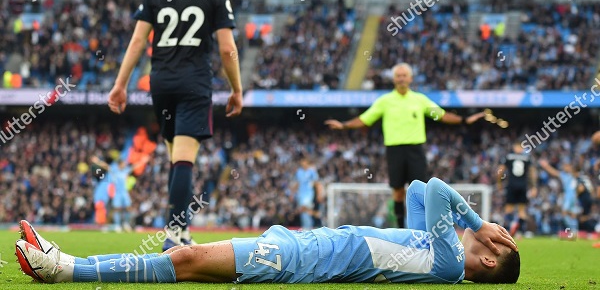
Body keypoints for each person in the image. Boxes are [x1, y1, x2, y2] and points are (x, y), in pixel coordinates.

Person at [16, 178, 520, 285]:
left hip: (306, 258)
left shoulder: (451, 262)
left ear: (491, 259)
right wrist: (475, 224)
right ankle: (64, 265)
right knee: (185, 260)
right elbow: (416, 188)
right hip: (306, 248)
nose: (483, 234)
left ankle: (63, 268)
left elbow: (434, 187)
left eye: (493, 242)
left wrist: (479, 222)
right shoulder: (436, 253)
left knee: (184, 260)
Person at [107, 0, 243, 250]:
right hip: (194, 83)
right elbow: (226, 48)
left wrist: (120, 84)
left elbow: (137, 41)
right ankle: (174, 233)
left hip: (161, 83)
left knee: (175, 157)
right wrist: (236, 89)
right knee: (183, 158)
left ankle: (180, 231)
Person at [325, 63, 485, 228]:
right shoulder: (385, 101)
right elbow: (365, 118)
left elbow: (441, 115)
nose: (401, 79)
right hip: (394, 151)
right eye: (398, 76)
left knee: (421, 191)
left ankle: (423, 228)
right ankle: (401, 228)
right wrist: (344, 125)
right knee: (398, 191)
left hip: (415, 150)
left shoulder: (419, 99)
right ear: (394, 79)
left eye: (404, 76)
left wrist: (465, 120)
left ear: (410, 78)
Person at [92, 155, 150, 232]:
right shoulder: (114, 170)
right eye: (123, 164)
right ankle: (117, 225)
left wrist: (143, 161)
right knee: (116, 209)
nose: (125, 165)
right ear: (120, 164)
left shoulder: (125, 170)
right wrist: (97, 162)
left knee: (128, 208)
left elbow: (134, 166)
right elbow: (106, 166)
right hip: (117, 193)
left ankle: (126, 223)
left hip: (124, 193)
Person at [497, 142, 537, 236]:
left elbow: (500, 170)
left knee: (508, 209)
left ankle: (507, 231)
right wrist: (534, 186)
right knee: (522, 210)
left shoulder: (508, 157)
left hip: (511, 185)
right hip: (523, 185)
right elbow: (532, 172)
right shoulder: (527, 158)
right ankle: (519, 232)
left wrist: (499, 182)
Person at [538, 158, 579, 237]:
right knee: (569, 214)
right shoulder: (563, 175)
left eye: (567, 166)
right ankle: (574, 231)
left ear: (570, 167)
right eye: (565, 166)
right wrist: (546, 166)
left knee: (566, 213)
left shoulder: (574, 174)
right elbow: (554, 172)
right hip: (568, 195)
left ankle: (574, 231)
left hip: (571, 196)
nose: (565, 168)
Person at [291, 157, 320, 230]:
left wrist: (319, 194)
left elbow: (316, 183)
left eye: (304, 162)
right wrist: (292, 193)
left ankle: (308, 227)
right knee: (304, 211)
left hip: (309, 193)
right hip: (301, 194)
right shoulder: (299, 172)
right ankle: (307, 227)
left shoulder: (312, 172)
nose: (303, 163)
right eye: (302, 162)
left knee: (304, 208)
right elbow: (298, 183)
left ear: (307, 163)